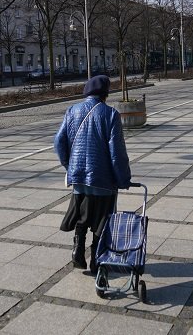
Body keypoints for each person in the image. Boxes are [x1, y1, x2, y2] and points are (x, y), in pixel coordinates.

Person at [54, 74, 132, 273]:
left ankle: (77, 252)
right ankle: (96, 261)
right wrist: (123, 179)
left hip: (79, 179)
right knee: (102, 222)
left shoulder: (72, 111)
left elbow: (59, 142)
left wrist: (68, 165)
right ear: (105, 93)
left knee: (82, 216)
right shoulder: (110, 114)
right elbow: (117, 152)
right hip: (103, 180)